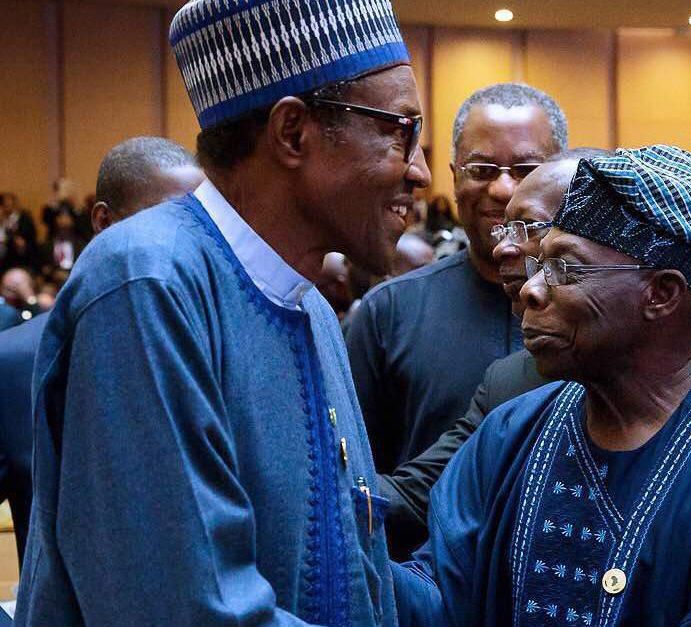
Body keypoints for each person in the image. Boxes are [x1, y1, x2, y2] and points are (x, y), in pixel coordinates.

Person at [16, 1, 430, 623]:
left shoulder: (312, 307)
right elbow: (182, 607)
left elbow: (356, 566)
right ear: (293, 133)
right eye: (401, 132)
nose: (421, 172)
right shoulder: (148, 281)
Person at [393, 146, 691, 625]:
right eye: (539, 263)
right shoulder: (510, 432)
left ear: (662, 294)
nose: (531, 288)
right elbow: (437, 597)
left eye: (565, 268)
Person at [0, 136, 203, 572]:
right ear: (103, 221)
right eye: (161, 222)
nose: (185, 246)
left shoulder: (225, 349)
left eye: (198, 228)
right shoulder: (14, 362)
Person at [346, 83, 568, 480]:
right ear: (453, 178)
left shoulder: (605, 313)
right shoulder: (388, 313)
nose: (503, 190)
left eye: (526, 171)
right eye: (482, 171)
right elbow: (360, 478)